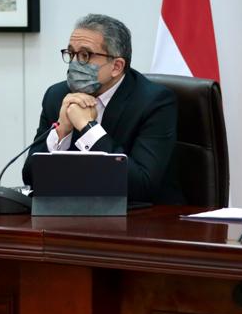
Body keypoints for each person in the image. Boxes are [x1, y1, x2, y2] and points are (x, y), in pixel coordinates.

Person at [21, 14, 182, 204]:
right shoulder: (58, 96)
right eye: (71, 54)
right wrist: (62, 131)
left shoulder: (154, 102)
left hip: (143, 215)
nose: (74, 63)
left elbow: (142, 186)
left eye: (85, 55)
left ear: (116, 66)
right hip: (74, 211)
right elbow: (31, 178)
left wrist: (89, 128)